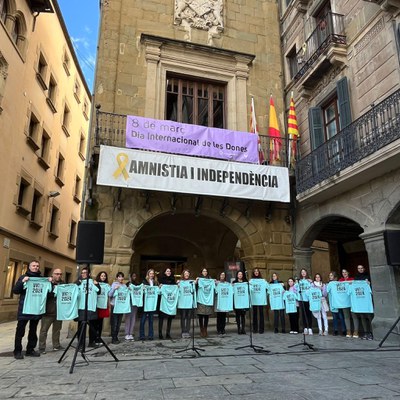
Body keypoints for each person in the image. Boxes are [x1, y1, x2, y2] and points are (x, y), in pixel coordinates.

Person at [13, 260, 50, 359]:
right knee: (20, 331)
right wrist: (22, 282)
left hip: (36, 310)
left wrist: (50, 282)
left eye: (37, 266)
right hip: (24, 309)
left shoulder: (42, 279)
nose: (35, 267)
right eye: (33, 266)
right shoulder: (24, 277)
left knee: (33, 331)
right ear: (29, 267)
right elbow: (15, 291)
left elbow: (49, 292)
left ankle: (30, 350)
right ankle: (17, 351)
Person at [39, 268, 64, 354]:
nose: (59, 276)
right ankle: (42, 347)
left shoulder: (63, 284)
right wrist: (51, 284)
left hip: (59, 312)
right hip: (48, 311)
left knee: (57, 330)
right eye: (57, 274)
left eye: (60, 274)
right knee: (44, 330)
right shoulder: (47, 283)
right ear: (52, 274)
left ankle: (56, 345)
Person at [352, 265, 374, 340]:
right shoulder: (356, 278)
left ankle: (371, 332)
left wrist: (369, 283)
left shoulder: (368, 276)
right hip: (359, 301)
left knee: (369, 317)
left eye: (361, 268)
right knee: (362, 317)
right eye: (359, 268)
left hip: (366, 301)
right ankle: (366, 332)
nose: (360, 269)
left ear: (364, 269)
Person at [139, 268, 159, 341]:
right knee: (143, 320)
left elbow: (158, 291)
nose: (152, 275)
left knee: (151, 320)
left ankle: (151, 335)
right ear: (148, 274)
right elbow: (141, 291)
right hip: (145, 304)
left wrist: (159, 287)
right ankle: (142, 335)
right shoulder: (144, 281)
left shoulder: (156, 282)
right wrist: (143, 288)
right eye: (150, 273)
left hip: (152, 304)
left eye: (153, 273)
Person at [196, 267, 215, 338]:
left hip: (208, 300)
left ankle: (205, 329)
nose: (205, 272)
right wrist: (196, 281)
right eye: (203, 271)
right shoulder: (199, 279)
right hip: (201, 299)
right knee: (200, 316)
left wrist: (214, 281)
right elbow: (195, 287)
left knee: (207, 316)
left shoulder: (210, 279)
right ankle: (201, 330)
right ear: (201, 272)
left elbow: (214, 287)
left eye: (206, 271)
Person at [93, 270, 110, 345]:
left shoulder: (107, 286)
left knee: (100, 324)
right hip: (96, 306)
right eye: (102, 276)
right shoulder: (95, 284)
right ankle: (94, 339)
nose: (103, 277)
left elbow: (110, 294)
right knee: (95, 323)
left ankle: (98, 338)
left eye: (104, 276)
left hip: (103, 306)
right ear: (99, 276)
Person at [108, 272, 126, 344]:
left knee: (118, 323)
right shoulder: (114, 284)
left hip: (121, 307)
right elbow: (109, 294)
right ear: (117, 278)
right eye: (119, 277)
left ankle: (116, 336)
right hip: (114, 306)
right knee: (114, 323)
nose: (121, 278)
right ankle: (113, 337)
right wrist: (114, 289)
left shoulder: (124, 286)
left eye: (122, 277)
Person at [158, 268, 176, 340]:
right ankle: (160, 333)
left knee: (170, 318)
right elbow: (159, 291)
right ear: (165, 272)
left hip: (170, 301)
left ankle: (168, 333)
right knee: (161, 318)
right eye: (167, 271)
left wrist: (177, 285)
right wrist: (160, 287)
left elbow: (175, 289)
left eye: (170, 271)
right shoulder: (161, 280)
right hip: (163, 301)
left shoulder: (173, 280)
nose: (169, 272)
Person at [177, 269, 195, 338]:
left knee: (189, 317)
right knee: (183, 317)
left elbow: (193, 291)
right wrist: (178, 285)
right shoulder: (180, 282)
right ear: (183, 275)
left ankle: (187, 331)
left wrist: (194, 283)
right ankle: (183, 331)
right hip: (182, 303)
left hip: (189, 303)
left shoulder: (191, 282)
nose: (186, 274)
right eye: (185, 273)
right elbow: (178, 291)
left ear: (189, 274)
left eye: (187, 273)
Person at [327, 271, 346, 336]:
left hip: (339, 302)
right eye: (329, 275)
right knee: (334, 317)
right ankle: (335, 330)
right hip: (333, 302)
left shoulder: (338, 283)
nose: (330, 277)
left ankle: (344, 330)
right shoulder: (329, 284)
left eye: (331, 275)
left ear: (334, 276)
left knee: (341, 316)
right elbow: (327, 291)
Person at [250, 268, 267, 334]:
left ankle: (261, 329)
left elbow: (268, 287)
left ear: (259, 272)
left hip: (261, 300)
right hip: (254, 299)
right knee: (254, 314)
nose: (256, 272)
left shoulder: (263, 280)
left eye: (257, 271)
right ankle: (255, 329)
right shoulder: (251, 281)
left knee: (261, 314)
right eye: (255, 271)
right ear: (253, 273)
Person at [215, 271, 232, 336]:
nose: (222, 276)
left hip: (225, 302)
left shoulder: (227, 284)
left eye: (223, 275)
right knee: (219, 316)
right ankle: (219, 329)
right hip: (219, 302)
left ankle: (223, 329)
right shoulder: (217, 283)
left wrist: (231, 285)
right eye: (221, 275)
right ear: (219, 276)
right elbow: (215, 291)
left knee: (224, 316)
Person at [338, 268, 354, 337]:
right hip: (344, 301)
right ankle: (348, 330)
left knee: (354, 316)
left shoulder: (352, 279)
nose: (344, 273)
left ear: (348, 273)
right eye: (343, 272)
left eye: (345, 272)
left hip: (352, 300)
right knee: (346, 316)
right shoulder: (340, 281)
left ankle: (355, 331)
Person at [297, 268, 313, 335]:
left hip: (308, 299)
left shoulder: (309, 281)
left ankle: (310, 328)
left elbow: (312, 288)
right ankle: (305, 328)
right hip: (302, 299)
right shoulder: (299, 281)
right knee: (303, 315)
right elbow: (296, 289)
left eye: (304, 272)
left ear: (306, 273)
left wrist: (311, 282)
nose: (303, 273)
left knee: (309, 313)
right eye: (302, 272)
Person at [233, 270, 249, 335]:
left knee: (243, 316)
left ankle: (243, 329)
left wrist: (248, 285)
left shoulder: (245, 282)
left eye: (241, 274)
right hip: (237, 302)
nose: (240, 275)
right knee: (237, 316)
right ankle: (238, 328)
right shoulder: (234, 282)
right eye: (239, 274)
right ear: (237, 275)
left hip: (243, 302)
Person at [125, 272, 139, 341]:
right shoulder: (127, 284)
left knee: (133, 318)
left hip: (135, 303)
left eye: (134, 276)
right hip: (128, 302)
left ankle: (131, 333)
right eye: (132, 276)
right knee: (128, 317)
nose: (134, 277)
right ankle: (127, 333)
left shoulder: (137, 284)